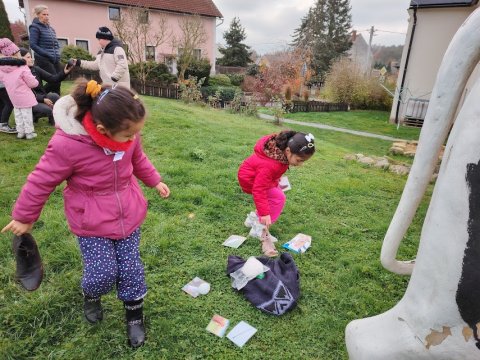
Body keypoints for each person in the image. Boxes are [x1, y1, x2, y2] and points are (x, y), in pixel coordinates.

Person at [1, 79, 170, 348]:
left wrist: (154, 180)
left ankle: (134, 315)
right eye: (127, 136)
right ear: (102, 129)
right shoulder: (68, 144)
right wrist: (24, 216)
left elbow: (139, 159)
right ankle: (91, 296)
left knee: (131, 269)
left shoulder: (128, 137)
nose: (132, 140)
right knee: (101, 273)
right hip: (91, 221)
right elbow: (41, 180)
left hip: (129, 214)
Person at [238, 131, 315, 257]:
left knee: (277, 194)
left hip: (261, 177)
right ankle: (259, 229)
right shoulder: (270, 164)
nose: (300, 164)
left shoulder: (280, 152)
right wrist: (265, 213)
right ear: (288, 151)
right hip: (251, 179)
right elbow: (259, 189)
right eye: (299, 160)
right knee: (278, 198)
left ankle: (252, 219)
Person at [20, 48, 72, 125]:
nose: (31, 59)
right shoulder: (19, 73)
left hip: (40, 97)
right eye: (28, 57)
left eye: (31, 57)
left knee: (54, 96)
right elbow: (26, 94)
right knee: (48, 110)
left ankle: (54, 119)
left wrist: (65, 72)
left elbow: (53, 79)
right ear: (20, 59)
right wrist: (43, 99)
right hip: (29, 102)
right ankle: (33, 116)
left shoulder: (36, 69)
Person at [0, 38, 39, 140]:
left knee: (18, 115)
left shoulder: (2, 69)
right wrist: (36, 82)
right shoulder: (22, 67)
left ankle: (20, 132)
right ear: (15, 53)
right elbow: (32, 83)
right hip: (24, 96)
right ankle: (29, 133)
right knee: (27, 116)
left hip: (13, 97)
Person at [28, 4, 62, 95]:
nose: (46, 16)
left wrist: (58, 53)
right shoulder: (34, 27)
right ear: (38, 15)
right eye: (44, 14)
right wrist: (46, 54)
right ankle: (38, 95)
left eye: (47, 14)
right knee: (55, 81)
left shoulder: (51, 29)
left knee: (59, 80)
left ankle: (56, 102)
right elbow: (33, 45)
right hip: (43, 59)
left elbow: (55, 43)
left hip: (55, 58)